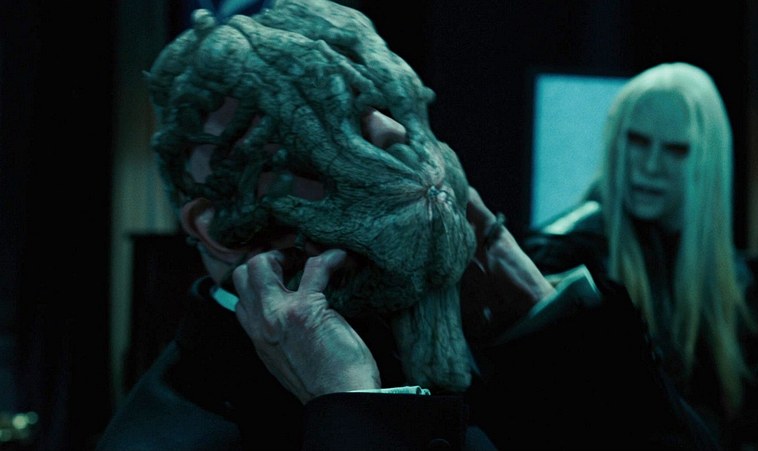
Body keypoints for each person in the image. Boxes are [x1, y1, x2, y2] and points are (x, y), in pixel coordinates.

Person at [97, 2, 719, 449]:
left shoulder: (473, 365)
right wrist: (356, 415)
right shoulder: (173, 433)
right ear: (217, 226)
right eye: (324, 118)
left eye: (386, 105)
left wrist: (544, 320)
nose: (393, 133)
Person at [524, 62, 758, 449]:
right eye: (637, 141)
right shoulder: (567, 255)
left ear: (707, 158)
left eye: (676, 149)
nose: (650, 166)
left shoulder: (727, 276)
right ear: (616, 141)